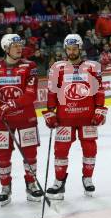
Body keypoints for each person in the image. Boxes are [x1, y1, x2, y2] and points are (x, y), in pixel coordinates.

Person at [42, 34, 107, 200]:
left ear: (80, 48)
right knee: (61, 151)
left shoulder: (93, 66)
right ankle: (59, 182)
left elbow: (99, 90)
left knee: (90, 149)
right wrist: (50, 111)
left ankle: (87, 178)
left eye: (74, 48)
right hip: (64, 117)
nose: (71, 52)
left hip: (88, 117)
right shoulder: (57, 68)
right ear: (65, 49)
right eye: (69, 49)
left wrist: (100, 109)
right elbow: (51, 92)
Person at [0, 34, 42, 206]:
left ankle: (31, 184)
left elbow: (30, 95)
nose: (19, 48)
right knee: (2, 156)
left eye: (20, 45)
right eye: (14, 46)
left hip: (25, 118)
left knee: (30, 154)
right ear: (5, 48)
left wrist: (9, 105)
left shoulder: (30, 66)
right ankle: (5, 188)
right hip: (1, 119)